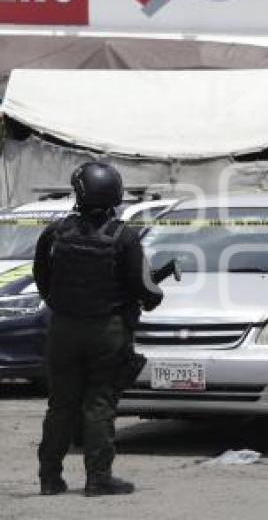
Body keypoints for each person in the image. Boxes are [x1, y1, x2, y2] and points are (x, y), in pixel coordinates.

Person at [33, 162, 163, 497]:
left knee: (60, 404)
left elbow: (42, 277)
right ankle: (98, 478)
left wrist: (64, 306)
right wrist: (151, 297)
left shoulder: (55, 233)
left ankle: (50, 478)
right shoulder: (124, 237)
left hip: (63, 329)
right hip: (106, 331)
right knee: (99, 404)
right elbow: (145, 290)